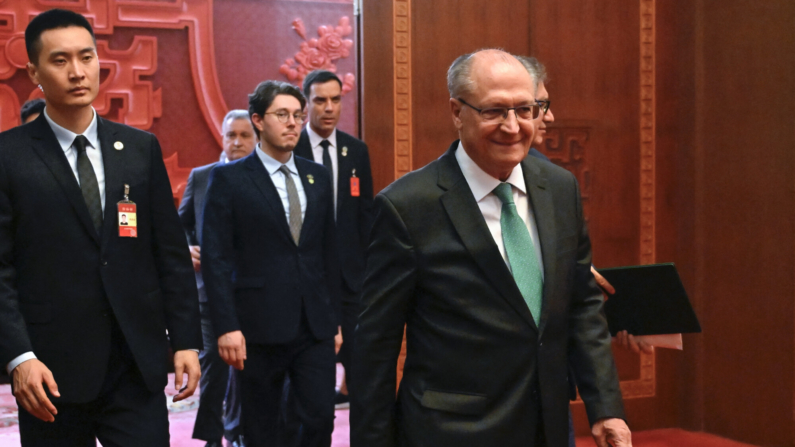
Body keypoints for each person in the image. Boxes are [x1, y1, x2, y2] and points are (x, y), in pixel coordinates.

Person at [351, 49, 631, 447]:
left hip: (548, 425)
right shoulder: (409, 206)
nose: (513, 126)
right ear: (456, 111)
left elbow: (582, 304)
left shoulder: (559, 187)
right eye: (495, 111)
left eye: (526, 109)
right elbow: (375, 345)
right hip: (452, 432)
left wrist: (606, 407)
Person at [0, 9, 202, 446]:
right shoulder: (9, 156)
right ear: (34, 70)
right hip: (50, 372)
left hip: (135, 363)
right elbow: (0, 271)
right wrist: (19, 356)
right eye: (60, 60)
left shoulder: (138, 148)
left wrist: (186, 340)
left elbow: (169, 253)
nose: (77, 72)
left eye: (86, 57)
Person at [202, 80, 340, 447]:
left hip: (314, 325)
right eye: (283, 115)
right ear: (259, 121)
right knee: (262, 425)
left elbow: (328, 252)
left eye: (298, 115)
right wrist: (226, 326)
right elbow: (215, 259)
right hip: (257, 324)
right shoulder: (230, 179)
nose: (293, 123)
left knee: (319, 417)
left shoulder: (318, 177)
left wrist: (335, 318)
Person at [294, 69, 374, 408]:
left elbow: (366, 213)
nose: (329, 108)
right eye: (320, 100)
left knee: (360, 357)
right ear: (306, 105)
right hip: (307, 271)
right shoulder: (291, 146)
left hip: (351, 274)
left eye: (335, 100)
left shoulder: (355, 151)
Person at [179, 109, 256, 447]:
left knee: (246, 368)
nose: (236, 142)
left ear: (255, 139)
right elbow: (177, 225)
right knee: (214, 365)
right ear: (222, 138)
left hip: (250, 291)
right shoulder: (201, 177)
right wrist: (187, 249)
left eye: (244, 136)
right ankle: (211, 437)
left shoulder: (262, 180)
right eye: (231, 136)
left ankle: (236, 431)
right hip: (207, 293)